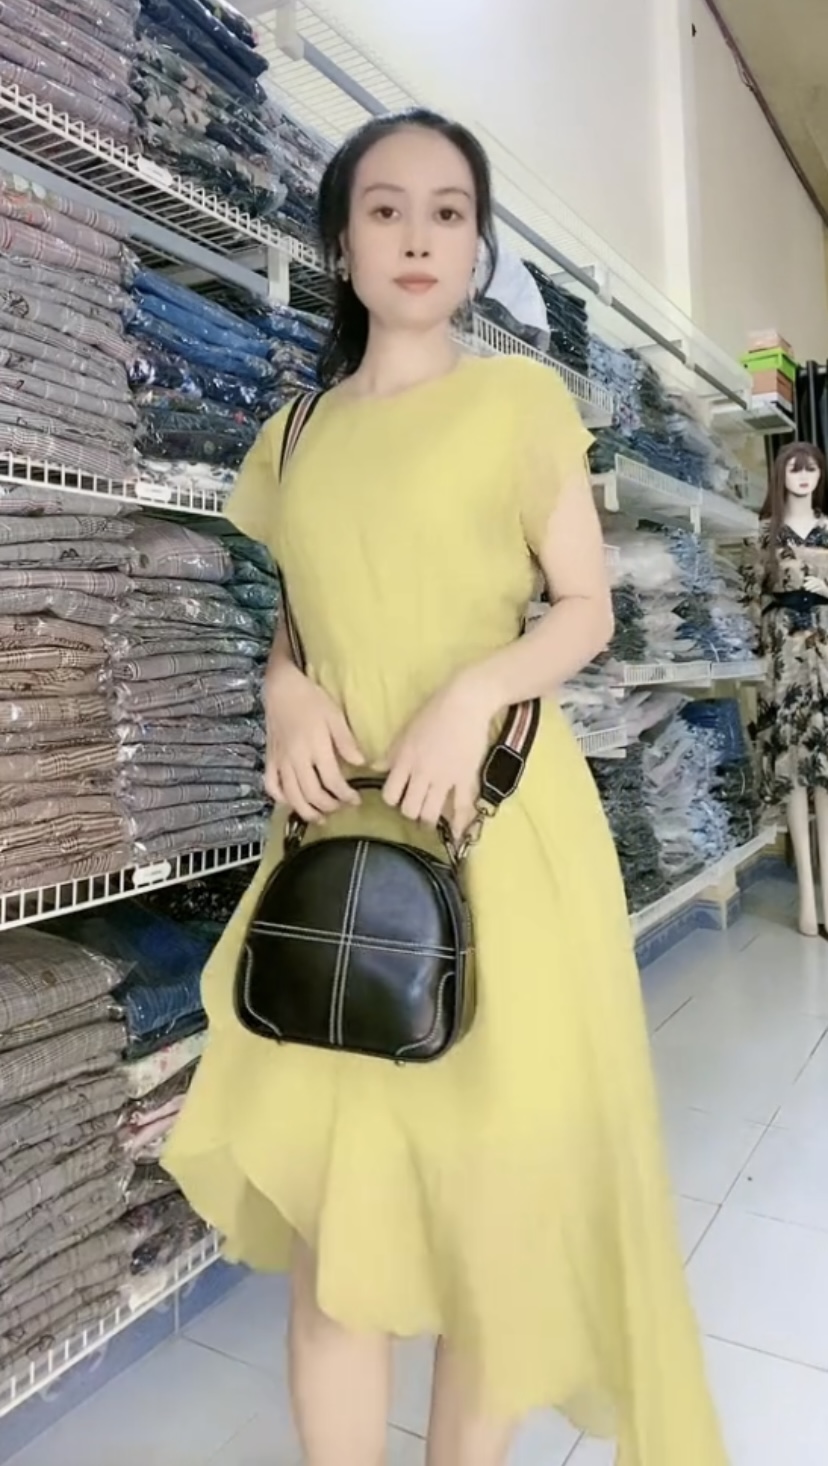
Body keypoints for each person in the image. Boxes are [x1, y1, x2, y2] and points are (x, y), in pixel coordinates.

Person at [166, 110, 726, 1466]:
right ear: (341, 245)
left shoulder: (521, 401)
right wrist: (282, 691)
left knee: (491, 1225)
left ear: (476, 247)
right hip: (333, 851)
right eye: (385, 210)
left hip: (500, 834)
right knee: (334, 1238)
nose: (417, 235)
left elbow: (585, 608)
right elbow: (298, 624)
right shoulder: (294, 433)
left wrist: (474, 691)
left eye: (448, 211)